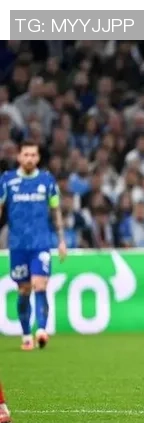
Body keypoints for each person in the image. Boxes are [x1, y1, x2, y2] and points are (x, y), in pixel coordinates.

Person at [0, 140, 67, 350]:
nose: (29, 158)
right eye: (26, 154)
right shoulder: (7, 180)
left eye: (33, 155)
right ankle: (26, 334)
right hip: (18, 244)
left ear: (38, 158)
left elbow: (55, 211)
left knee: (40, 284)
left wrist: (61, 239)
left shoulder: (47, 180)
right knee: (23, 289)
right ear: (19, 157)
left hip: (41, 243)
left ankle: (42, 331)